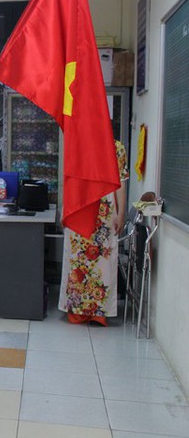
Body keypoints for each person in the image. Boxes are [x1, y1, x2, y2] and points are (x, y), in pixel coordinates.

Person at [58, 140, 129, 326]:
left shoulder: (116, 147)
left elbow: (121, 181)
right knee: (77, 260)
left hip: (106, 209)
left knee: (103, 261)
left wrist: (121, 213)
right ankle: (77, 310)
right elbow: (69, 179)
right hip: (80, 204)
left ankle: (99, 312)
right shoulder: (78, 143)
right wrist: (65, 209)